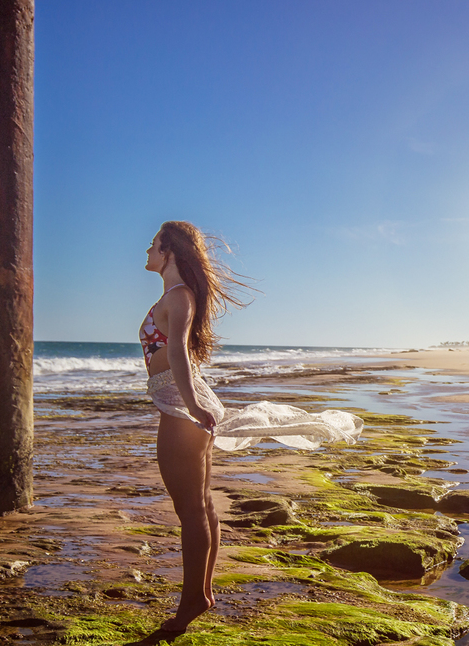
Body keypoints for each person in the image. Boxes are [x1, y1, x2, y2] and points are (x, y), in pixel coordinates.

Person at [141, 221, 363, 632]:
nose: (147, 251)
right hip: (182, 402)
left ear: (169, 250)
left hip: (180, 405)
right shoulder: (177, 296)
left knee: (191, 509)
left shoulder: (178, 296)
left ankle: (190, 604)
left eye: (153, 244)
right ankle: (201, 595)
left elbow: (176, 355)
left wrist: (190, 406)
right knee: (200, 505)